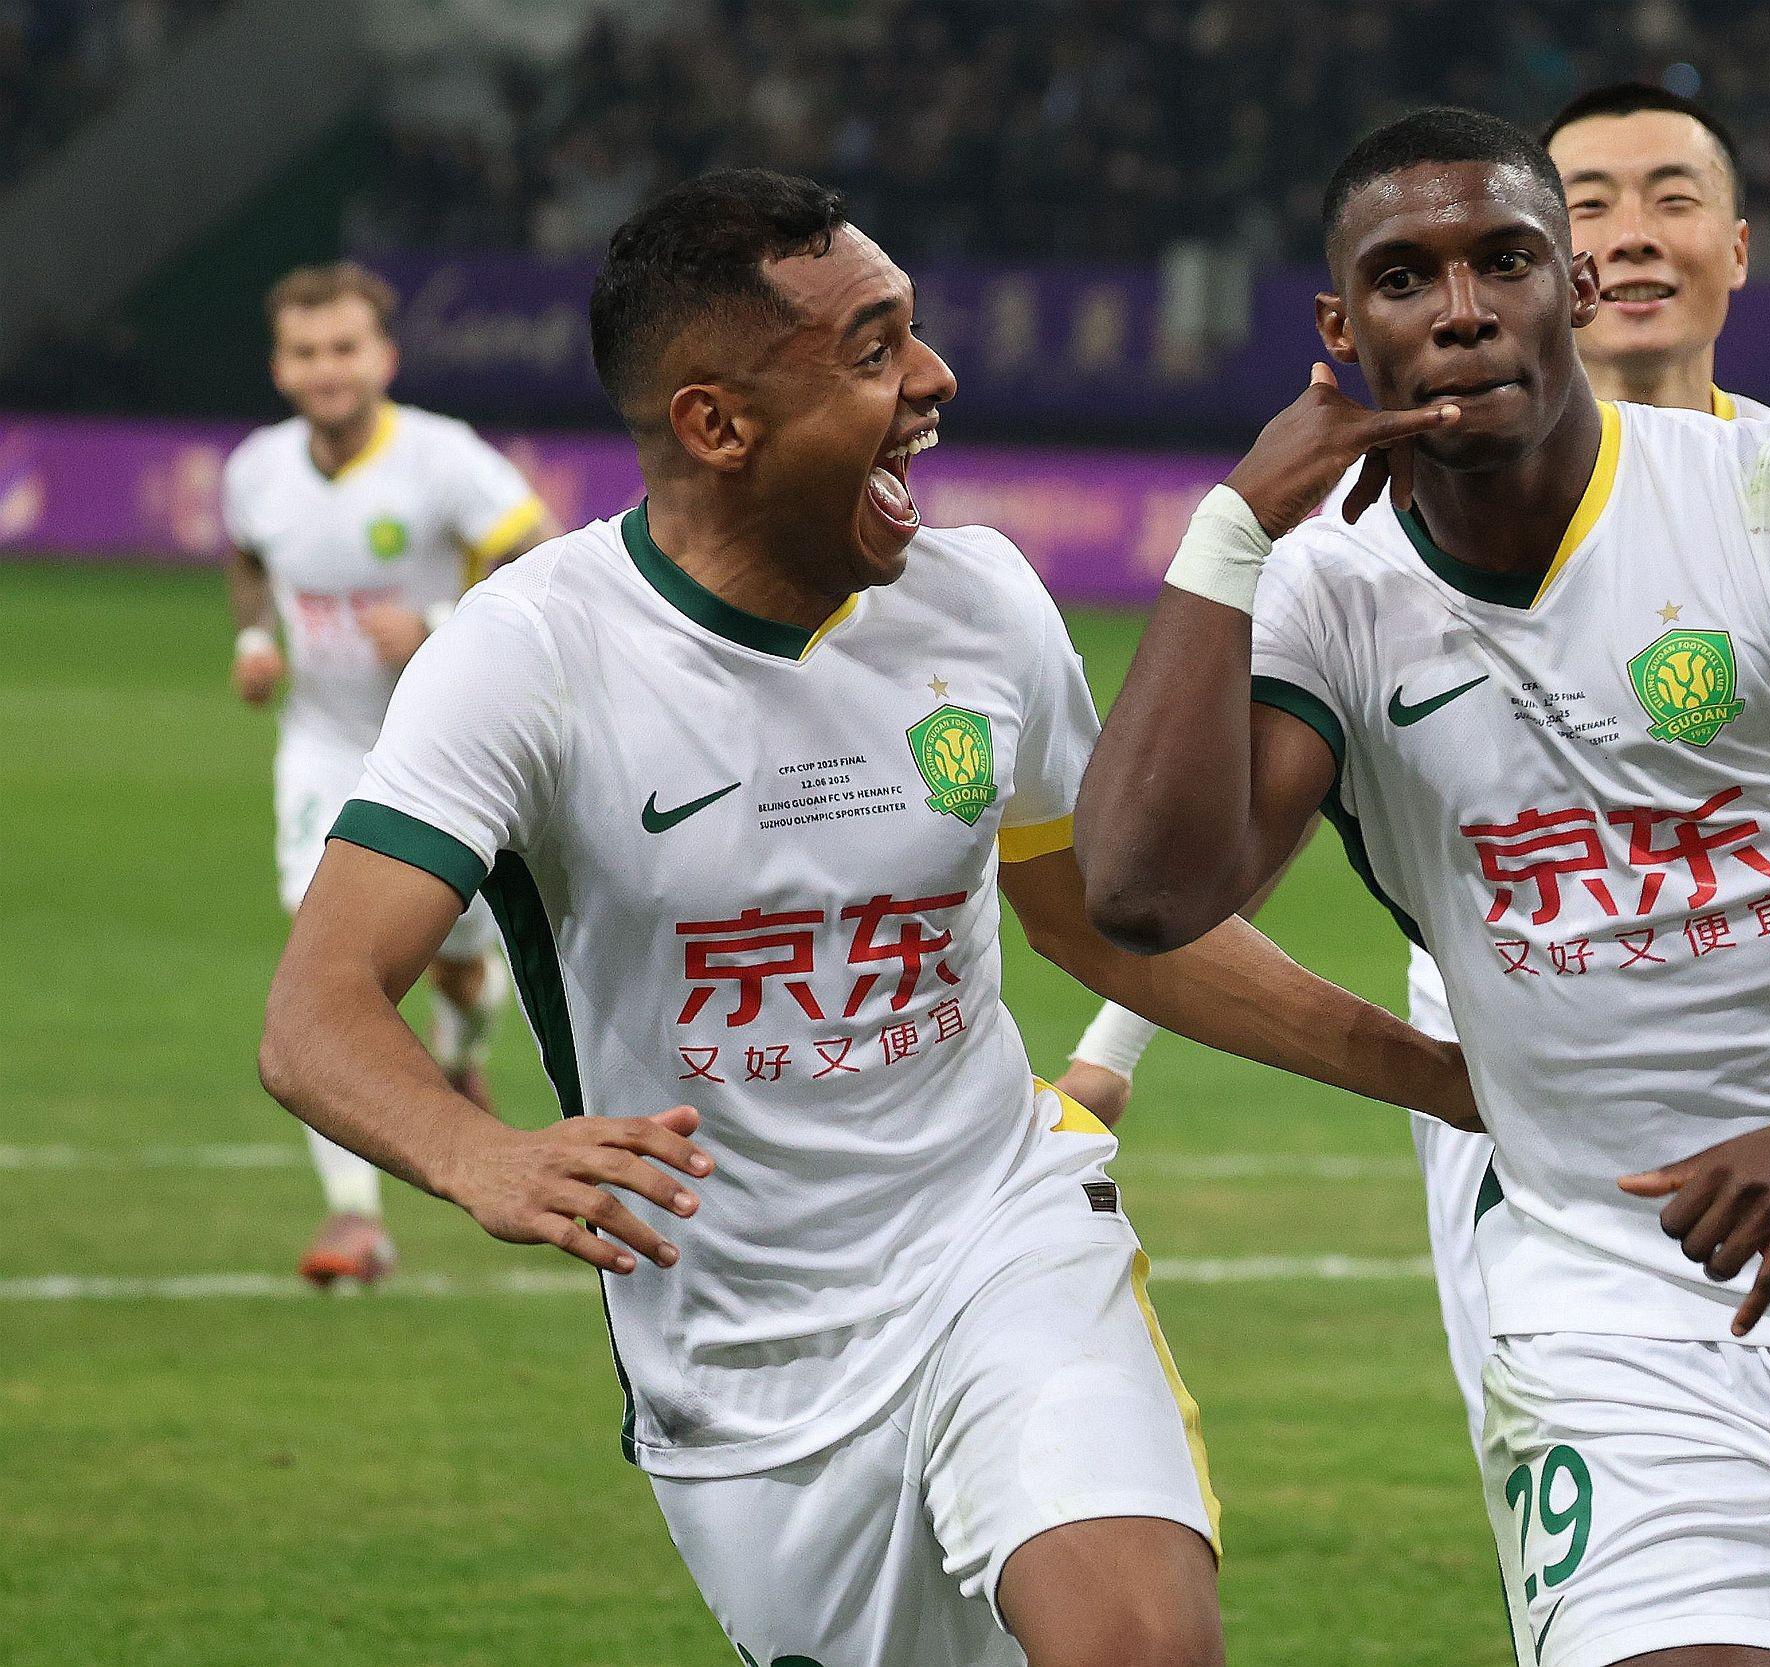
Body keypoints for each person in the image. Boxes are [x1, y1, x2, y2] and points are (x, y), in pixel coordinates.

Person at [258, 169, 1475, 1667]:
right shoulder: (530, 655)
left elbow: (1102, 922)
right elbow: (315, 1010)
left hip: (1000, 1238)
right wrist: (478, 1152)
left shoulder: (981, 601)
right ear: (717, 424)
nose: (935, 378)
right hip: (739, 1361)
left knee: (1141, 1642)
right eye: (875, 348)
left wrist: (1443, 1078)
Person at [1076, 110, 1770, 1667]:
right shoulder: (1326, 589)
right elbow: (1144, 893)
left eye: (1505, 262)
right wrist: (1229, 532)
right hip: (1619, 1310)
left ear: (1577, 291)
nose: (1460, 310)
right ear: (1341, 332)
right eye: (1404, 279)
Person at [222, 261, 556, 1286]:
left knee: (459, 968)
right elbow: (247, 557)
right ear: (280, 366)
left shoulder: (442, 459)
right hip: (324, 750)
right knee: (327, 968)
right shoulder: (257, 470)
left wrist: (439, 623)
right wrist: (254, 640)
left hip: (444, 752)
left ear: (384, 358)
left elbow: (543, 556)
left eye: (344, 348)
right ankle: (355, 1216)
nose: (326, 369)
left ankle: (462, 1050)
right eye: (306, 351)